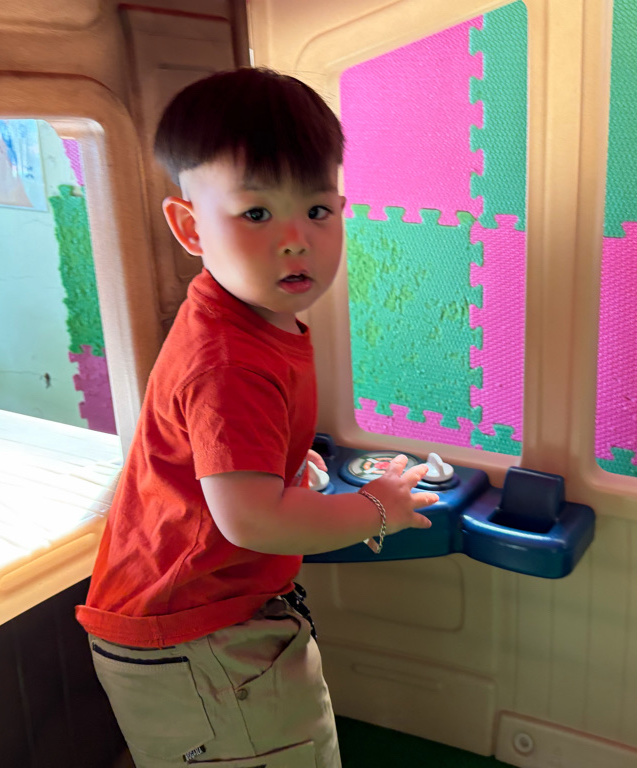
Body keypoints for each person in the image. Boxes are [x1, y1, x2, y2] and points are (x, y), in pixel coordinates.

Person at [76, 67, 438, 768]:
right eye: (256, 214)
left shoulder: (255, 318)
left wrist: (279, 463)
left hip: (199, 619)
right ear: (189, 227)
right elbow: (251, 520)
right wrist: (375, 509)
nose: (296, 239)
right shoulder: (230, 360)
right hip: (194, 632)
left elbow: (222, 455)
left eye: (318, 210)